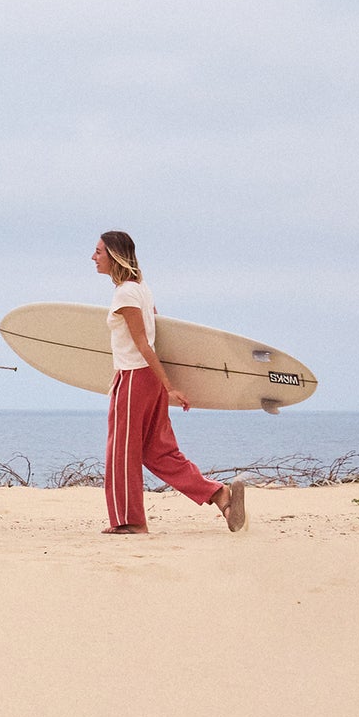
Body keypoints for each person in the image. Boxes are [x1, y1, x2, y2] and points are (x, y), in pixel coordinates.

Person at [93, 230, 246, 537]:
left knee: (121, 452)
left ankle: (131, 521)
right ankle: (220, 496)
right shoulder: (142, 289)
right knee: (158, 453)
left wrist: (169, 386)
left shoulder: (125, 294)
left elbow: (143, 345)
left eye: (99, 252)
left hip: (136, 377)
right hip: (142, 378)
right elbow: (155, 330)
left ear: (115, 255)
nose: (93, 257)